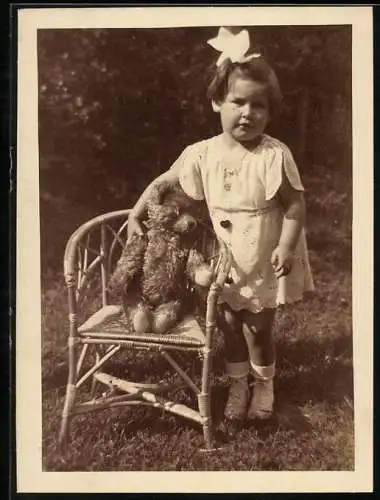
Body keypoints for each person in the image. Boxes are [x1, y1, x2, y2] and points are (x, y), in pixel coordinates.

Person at [127, 27, 315, 433]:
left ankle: (264, 386)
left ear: (269, 111)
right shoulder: (203, 153)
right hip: (223, 253)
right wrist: (136, 213)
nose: (248, 113)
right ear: (217, 102)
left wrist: (286, 245)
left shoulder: (273, 155)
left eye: (258, 105)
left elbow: (295, 204)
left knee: (257, 326)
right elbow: (165, 182)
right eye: (238, 102)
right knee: (228, 323)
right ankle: (237, 387)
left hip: (264, 251)